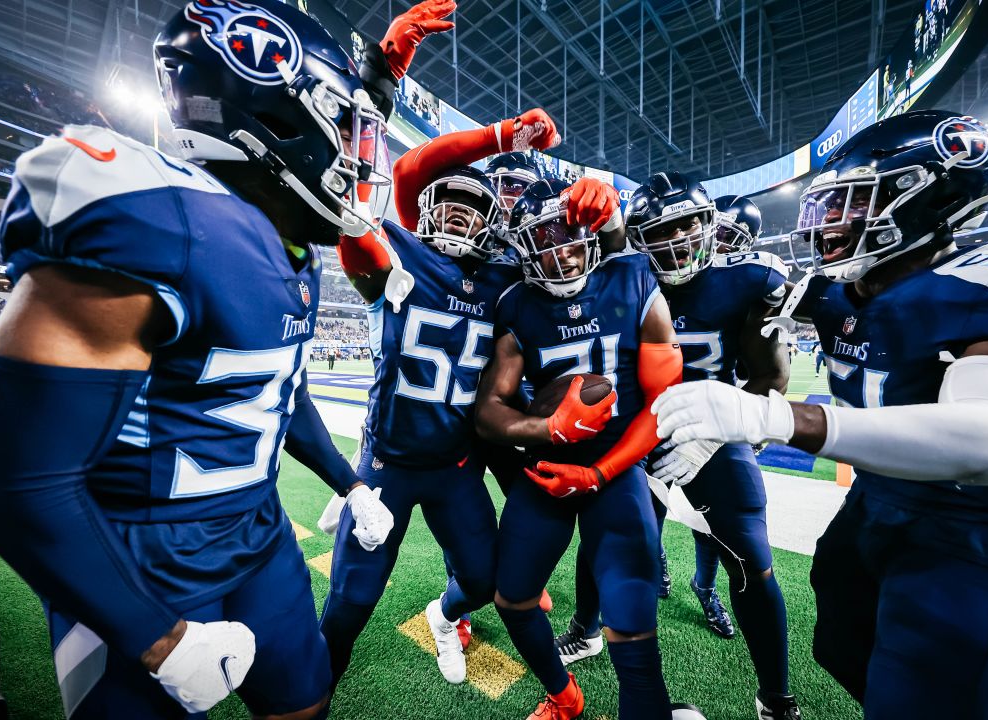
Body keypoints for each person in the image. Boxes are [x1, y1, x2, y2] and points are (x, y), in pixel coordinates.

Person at [0, 3, 403, 718]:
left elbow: (274, 388)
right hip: (137, 556)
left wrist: (348, 483)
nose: (360, 161)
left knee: (306, 701)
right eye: (350, 133)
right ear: (284, 119)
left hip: (257, 533)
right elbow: (20, 486)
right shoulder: (156, 216)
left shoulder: (293, 247)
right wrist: (157, 637)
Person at [653, 111, 988, 719]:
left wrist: (777, 418)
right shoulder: (835, 293)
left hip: (970, 539)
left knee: (923, 693)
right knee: (843, 648)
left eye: (848, 204)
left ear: (923, 198)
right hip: (873, 510)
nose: (826, 224)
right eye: (824, 208)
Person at [320, 91, 564, 685]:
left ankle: (443, 615)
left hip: (456, 464)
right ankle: (313, 694)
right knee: (350, 606)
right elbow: (393, 182)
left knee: (484, 581)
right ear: (424, 213)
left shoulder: (500, 281)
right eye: (447, 204)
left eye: (472, 209)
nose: (458, 216)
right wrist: (505, 133)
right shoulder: (400, 256)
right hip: (387, 465)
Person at [549, 171, 799, 720]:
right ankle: (586, 629)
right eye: (661, 230)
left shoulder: (747, 281)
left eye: (688, 224)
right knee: (605, 545)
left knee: (750, 560)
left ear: (711, 226)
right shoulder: (626, 275)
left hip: (710, 434)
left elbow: (770, 380)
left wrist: (710, 434)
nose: (677, 240)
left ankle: (776, 697)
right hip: (637, 435)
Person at [476, 179, 701, 720]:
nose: (561, 250)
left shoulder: (632, 277)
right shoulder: (517, 303)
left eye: (569, 234)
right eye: (545, 238)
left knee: (631, 616)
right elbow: (489, 410)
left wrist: (600, 472)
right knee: (513, 597)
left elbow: (662, 400)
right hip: (547, 466)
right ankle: (562, 695)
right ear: (524, 247)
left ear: (591, 234)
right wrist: (548, 429)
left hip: (618, 465)